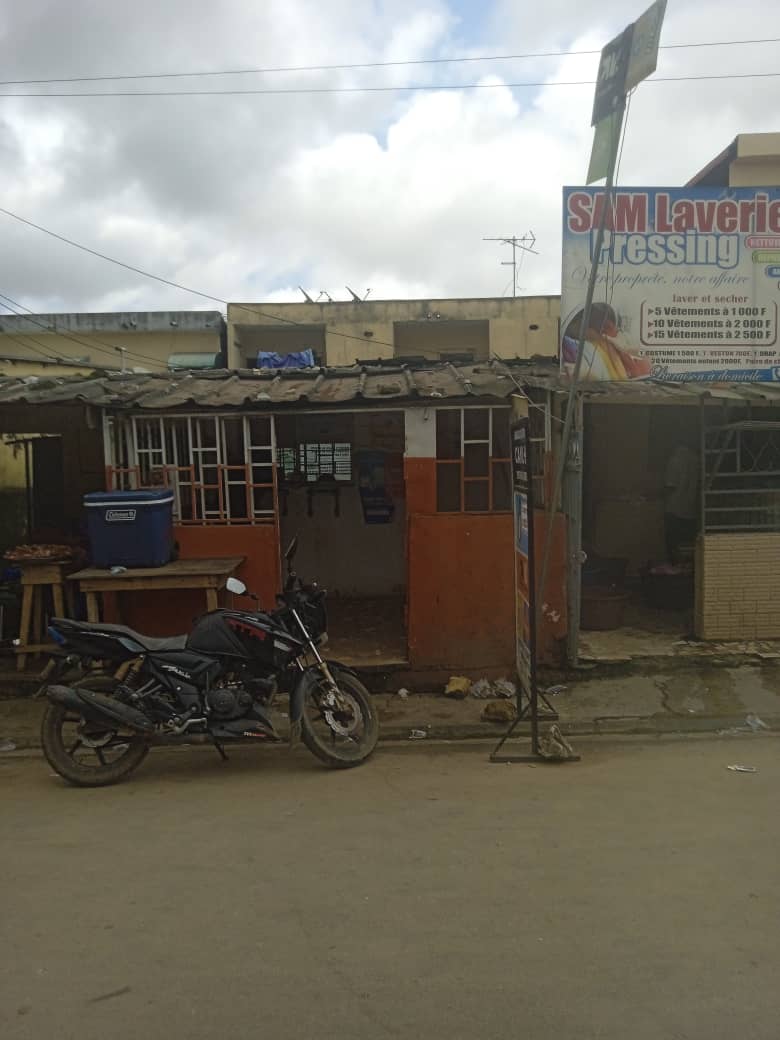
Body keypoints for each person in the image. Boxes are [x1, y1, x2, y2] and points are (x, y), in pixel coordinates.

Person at [664, 444, 698, 564]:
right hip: (691, 511)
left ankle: (674, 569)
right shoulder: (696, 459)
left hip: (674, 510)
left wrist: (654, 495)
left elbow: (670, 486)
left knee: (674, 547)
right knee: (689, 548)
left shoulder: (675, 460)